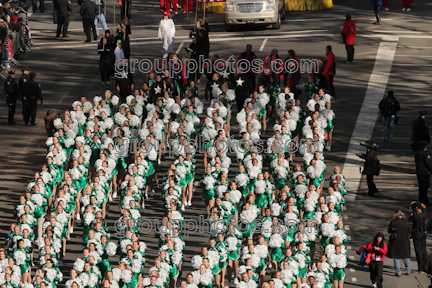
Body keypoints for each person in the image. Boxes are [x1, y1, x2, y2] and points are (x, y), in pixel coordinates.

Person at [387, 210, 412, 276]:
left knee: (396, 256)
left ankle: (398, 272)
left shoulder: (394, 222)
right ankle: (408, 270)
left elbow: (389, 230)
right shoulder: (407, 222)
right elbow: (410, 231)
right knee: (406, 256)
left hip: (396, 241)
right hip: (405, 241)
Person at [410, 201, 427, 272]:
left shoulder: (414, 216)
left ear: (416, 208)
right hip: (423, 233)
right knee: (423, 250)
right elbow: (424, 207)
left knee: (418, 250)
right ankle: (426, 265)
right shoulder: (423, 214)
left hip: (417, 233)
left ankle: (420, 267)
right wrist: (418, 203)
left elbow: (409, 221)